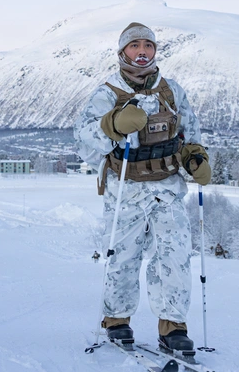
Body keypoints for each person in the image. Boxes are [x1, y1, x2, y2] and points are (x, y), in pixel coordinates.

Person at [74, 22, 211, 353]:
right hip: (126, 188)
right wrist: (112, 125)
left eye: (148, 46)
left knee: (175, 255)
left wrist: (195, 158)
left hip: (167, 187)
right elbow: (83, 139)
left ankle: (173, 326)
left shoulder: (172, 91)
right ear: (123, 52)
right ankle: (117, 319)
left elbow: (189, 133)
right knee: (122, 256)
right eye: (134, 46)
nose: (142, 52)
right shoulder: (107, 93)